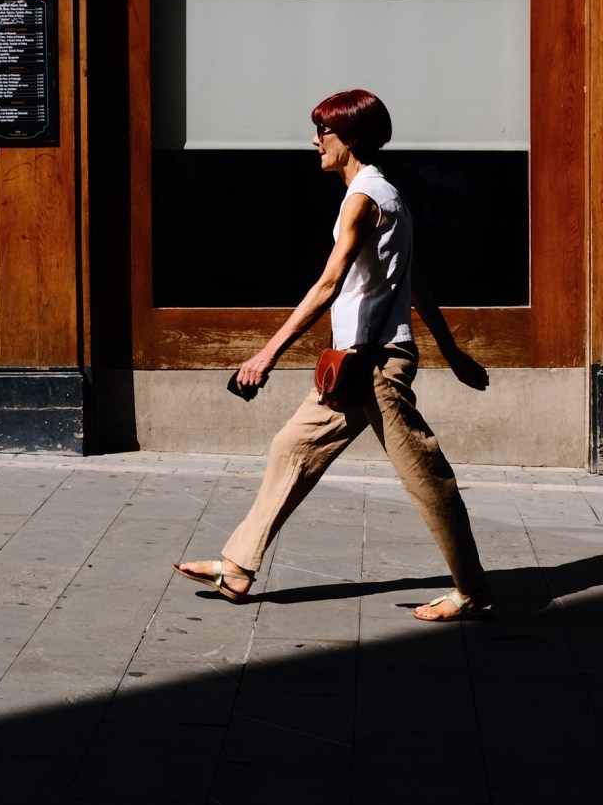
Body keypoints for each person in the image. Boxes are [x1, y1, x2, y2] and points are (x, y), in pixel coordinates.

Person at [174, 88, 493, 621]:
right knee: (290, 447)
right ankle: (238, 566)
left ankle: (472, 591)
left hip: (374, 365)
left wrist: (265, 355)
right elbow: (415, 284)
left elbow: (327, 284)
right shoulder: (386, 194)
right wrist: (452, 352)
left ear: (349, 138)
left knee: (426, 476)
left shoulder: (365, 200)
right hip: (351, 362)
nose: (314, 141)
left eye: (322, 132)